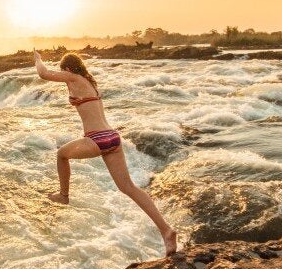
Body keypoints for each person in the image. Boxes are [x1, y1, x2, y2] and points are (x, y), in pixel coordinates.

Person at [34, 50, 177, 256]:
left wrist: (38, 59)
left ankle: (64, 196)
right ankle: (166, 230)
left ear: (67, 69)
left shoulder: (73, 77)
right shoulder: (89, 83)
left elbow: (43, 74)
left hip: (96, 138)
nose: (63, 75)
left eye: (62, 71)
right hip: (113, 138)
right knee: (128, 187)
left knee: (61, 154)